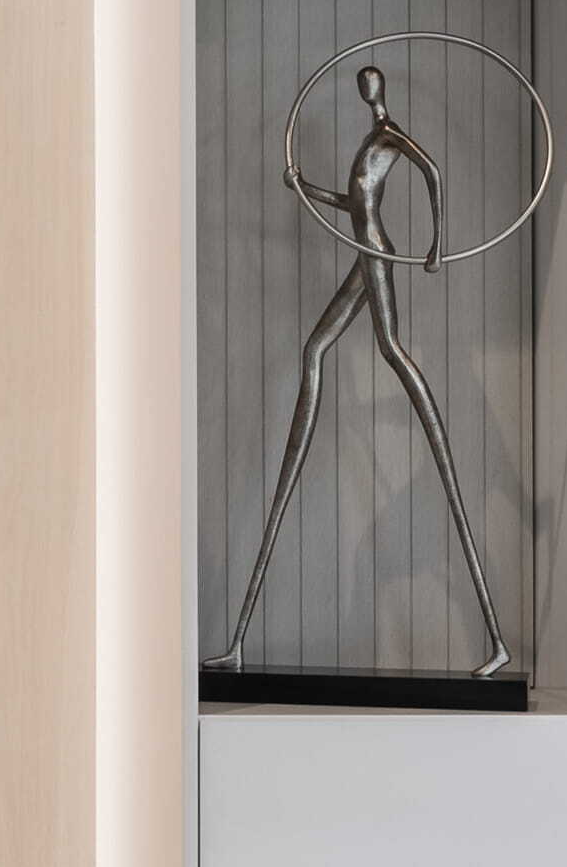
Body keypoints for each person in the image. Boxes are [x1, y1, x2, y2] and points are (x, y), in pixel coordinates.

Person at [216, 60, 515, 684]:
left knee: (391, 353)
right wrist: (305, 188)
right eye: (363, 86)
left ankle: (494, 638)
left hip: (376, 251)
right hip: (364, 247)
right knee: (315, 351)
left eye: (370, 84)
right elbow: (355, 204)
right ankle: (238, 643)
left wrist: (436, 244)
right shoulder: (367, 141)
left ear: (380, 91)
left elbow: (431, 171)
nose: (366, 90)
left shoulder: (388, 136)